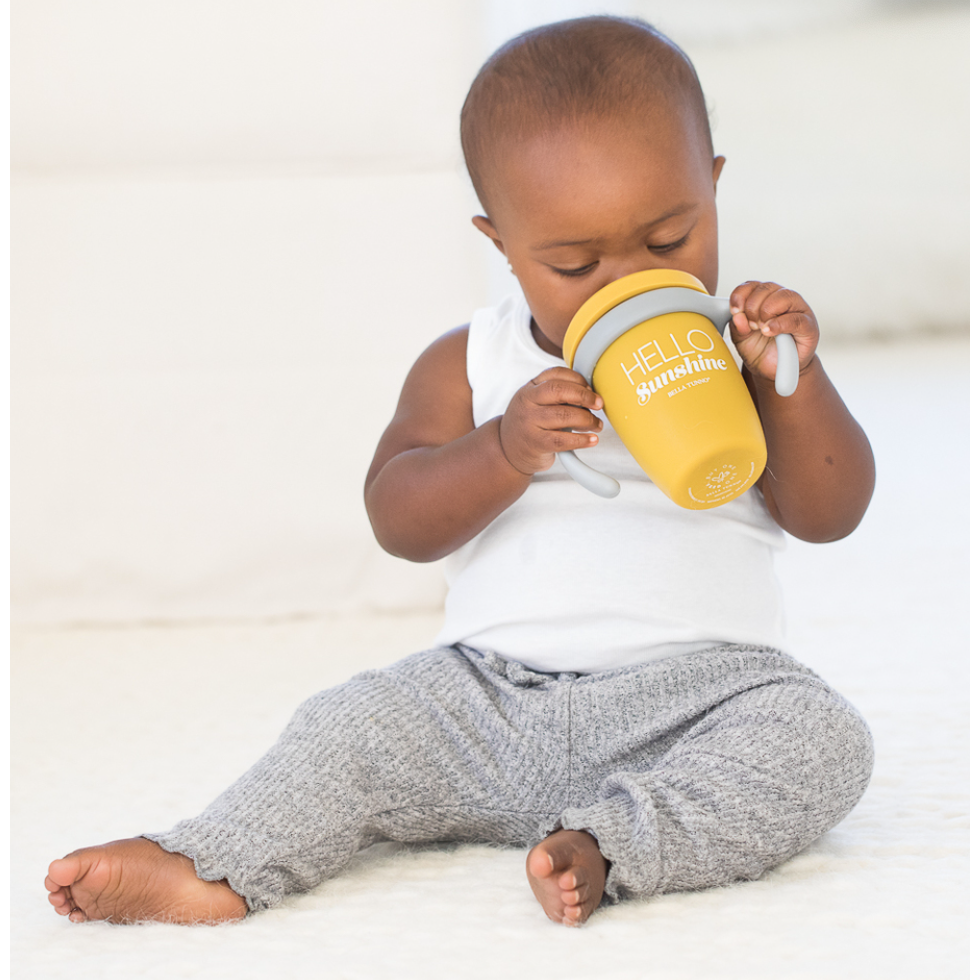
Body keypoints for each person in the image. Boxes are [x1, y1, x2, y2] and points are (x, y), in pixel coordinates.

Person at [45, 15, 875, 929]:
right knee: (350, 724)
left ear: (712, 189)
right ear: (502, 242)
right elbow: (398, 520)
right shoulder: (470, 364)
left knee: (824, 740)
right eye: (574, 263)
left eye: (671, 239)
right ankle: (214, 860)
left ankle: (609, 847)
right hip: (485, 700)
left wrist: (794, 382)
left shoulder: (740, 354)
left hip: (699, 699)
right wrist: (503, 449)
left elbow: (829, 512)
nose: (625, 283)